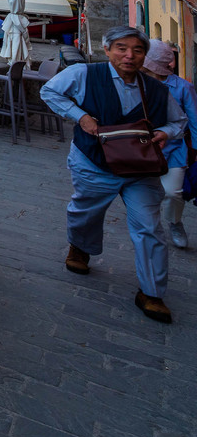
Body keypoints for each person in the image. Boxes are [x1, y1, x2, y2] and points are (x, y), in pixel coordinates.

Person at [40, 25, 187, 323]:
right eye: (121, 48)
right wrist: (80, 117)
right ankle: (80, 247)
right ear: (107, 50)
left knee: (149, 226)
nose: (129, 56)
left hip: (139, 169)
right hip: (93, 162)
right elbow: (49, 91)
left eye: (137, 50)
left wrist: (164, 132)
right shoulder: (84, 74)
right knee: (87, 211)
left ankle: (152, 292)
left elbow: (179, 122)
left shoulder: (158, 90)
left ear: (145, 56)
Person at [144, 40, 195, 250]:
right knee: (145, 192)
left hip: (174, 149)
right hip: (141, 149)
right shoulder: (135, 82)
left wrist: (196, 151)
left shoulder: (183, 88)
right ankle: (148, 227)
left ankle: (175, 223)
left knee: (173, 192)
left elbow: (194, 120)